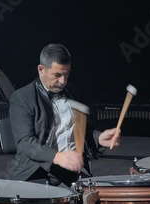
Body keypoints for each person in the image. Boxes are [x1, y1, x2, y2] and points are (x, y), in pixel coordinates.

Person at [8, 43, 121, 187]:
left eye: (66, 75)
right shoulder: (22, 97)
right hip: (36, 170)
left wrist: (99, 138)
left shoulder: (75, 93)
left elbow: (84, 132)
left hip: (72, 170)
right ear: (41, 70)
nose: (63, 82)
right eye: (57, 75)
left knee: (94, 201)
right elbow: (25, 143)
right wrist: (56, 156)